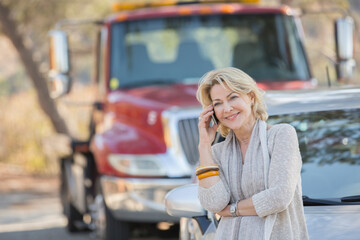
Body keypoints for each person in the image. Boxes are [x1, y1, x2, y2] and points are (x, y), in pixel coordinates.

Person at [196, 67, 308, 240]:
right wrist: (204, 145)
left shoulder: (281, 135)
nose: (226, 108)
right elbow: (214, 203)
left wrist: (231, 210)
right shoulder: (215, 153)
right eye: (218, 103)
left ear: (251, 97)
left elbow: (279, 197)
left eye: (233, 97)